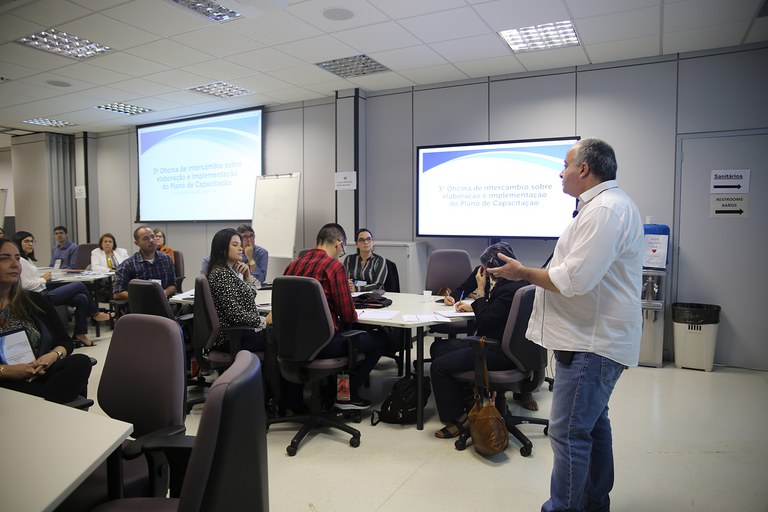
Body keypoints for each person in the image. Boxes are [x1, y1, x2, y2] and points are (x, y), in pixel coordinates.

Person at [488, 138, 644, 512]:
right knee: (592, 426)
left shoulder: (605, 210)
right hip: (594, 339)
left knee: (569, 432)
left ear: (585, 169)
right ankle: (593, 503)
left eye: (565, 164)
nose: (561, 172)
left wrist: (521, 272)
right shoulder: (603, 207)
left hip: (592, 344)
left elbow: (573, 280)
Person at [430, 242, 531, 438]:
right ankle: (469, 404)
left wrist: (480, 291)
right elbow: (488, 316)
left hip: (499, 350)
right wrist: (456, 297)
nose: (483, 271)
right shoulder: (519, 282)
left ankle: (459, 419)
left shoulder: (509, 289)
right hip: (502, 344)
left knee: (439, 366)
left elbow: (484, 323)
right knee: (439, 349)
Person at [283, 223, 386, 410]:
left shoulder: (292, 266)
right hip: (323, 345)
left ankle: (295, 401)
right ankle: (345, 394)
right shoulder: (334, 267)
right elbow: (347, 315)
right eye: (343, 249)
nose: (341, 254)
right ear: (338, 244)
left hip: (292, 344)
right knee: (379, 339)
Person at [0, 237, 92, 403]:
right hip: (5, 379)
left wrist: (52, 356)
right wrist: (7, 371)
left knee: (80, 362)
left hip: (40, 371)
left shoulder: (34, 300)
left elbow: (65, 341)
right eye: (4, 259)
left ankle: (37, 407)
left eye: (17, 258)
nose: (15, 264)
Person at [14, 231, 111, 347]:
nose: (30, 244)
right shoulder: (21, 261)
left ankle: (80, 334)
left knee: (82, 298)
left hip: (42, 292)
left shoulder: (27, 259)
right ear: (18, 243)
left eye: (32, 241)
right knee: (79, 285)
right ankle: (95, 313)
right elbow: (25, 285)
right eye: (26, 241)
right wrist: (43, 279)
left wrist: (41, 278)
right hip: (38, 298)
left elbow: (29, 279)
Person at [205, 228, 271, 353]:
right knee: (279, 337)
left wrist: (247, 276)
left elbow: (250, 295)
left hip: (242, 331)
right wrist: (263, 321)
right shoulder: (221, 274)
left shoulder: (228, 271)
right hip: (233, 337)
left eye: (240, 245)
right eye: (235, 245)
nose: (241, 248)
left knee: (279, 332)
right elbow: (235, 314)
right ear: (222, 249)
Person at [112, 226, 176, 301]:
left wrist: (164, 293)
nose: (151, 240)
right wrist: (142, 297)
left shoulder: (166, 259)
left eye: (152, 236)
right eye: (146, 238)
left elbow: (173, 285)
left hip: (165, 304)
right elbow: (117, 293)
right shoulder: (128, 265)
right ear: (137, 243)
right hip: (141, 307)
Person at [200, 224, 269, 285]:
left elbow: (259, 281)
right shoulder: (215, 265)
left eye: (251, 236)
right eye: (245, 237)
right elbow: (206, 285)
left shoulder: (262, 253)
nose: (249, 240)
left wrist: (250, 258)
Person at [344, 228, 388, 292]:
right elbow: (344, 279)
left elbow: (378, 285)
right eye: (361, 240)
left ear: (373, 242)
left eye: (368, 239)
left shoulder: (380, 260)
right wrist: (348, 284)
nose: (366, 242)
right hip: (353, 295)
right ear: (356, 244)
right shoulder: (349, 259)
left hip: (373, 297)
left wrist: (357, 288)